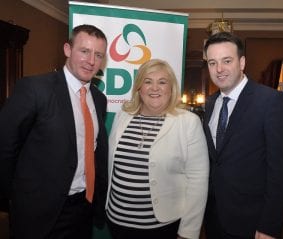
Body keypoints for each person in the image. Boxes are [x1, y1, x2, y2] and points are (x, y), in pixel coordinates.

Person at [0, 24, 108, 239]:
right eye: (84, 51)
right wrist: (11, 201)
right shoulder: (34, 89)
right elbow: (5, 147)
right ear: (67, 50)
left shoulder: (98, 98)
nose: (91, 61)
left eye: (98, 55)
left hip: (83, 207)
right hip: (39, 213)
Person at [202, 31, 283, 239]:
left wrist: (270, 225)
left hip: (253, 223)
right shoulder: (209, 104)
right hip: (214, 219)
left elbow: (280, 170)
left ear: (242, 62)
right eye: (212, 63)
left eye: (227, 61)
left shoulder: (271, 101)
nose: (219, 69)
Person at [105, 59, 209, 239]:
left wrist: (188, 232)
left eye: (162, 82)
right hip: (117, 221)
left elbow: (198, 180)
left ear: (171, 89)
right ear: (139, 88)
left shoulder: (187, 122)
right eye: (148, 81)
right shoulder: (123, 115)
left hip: (161, 227)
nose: (155, 88)